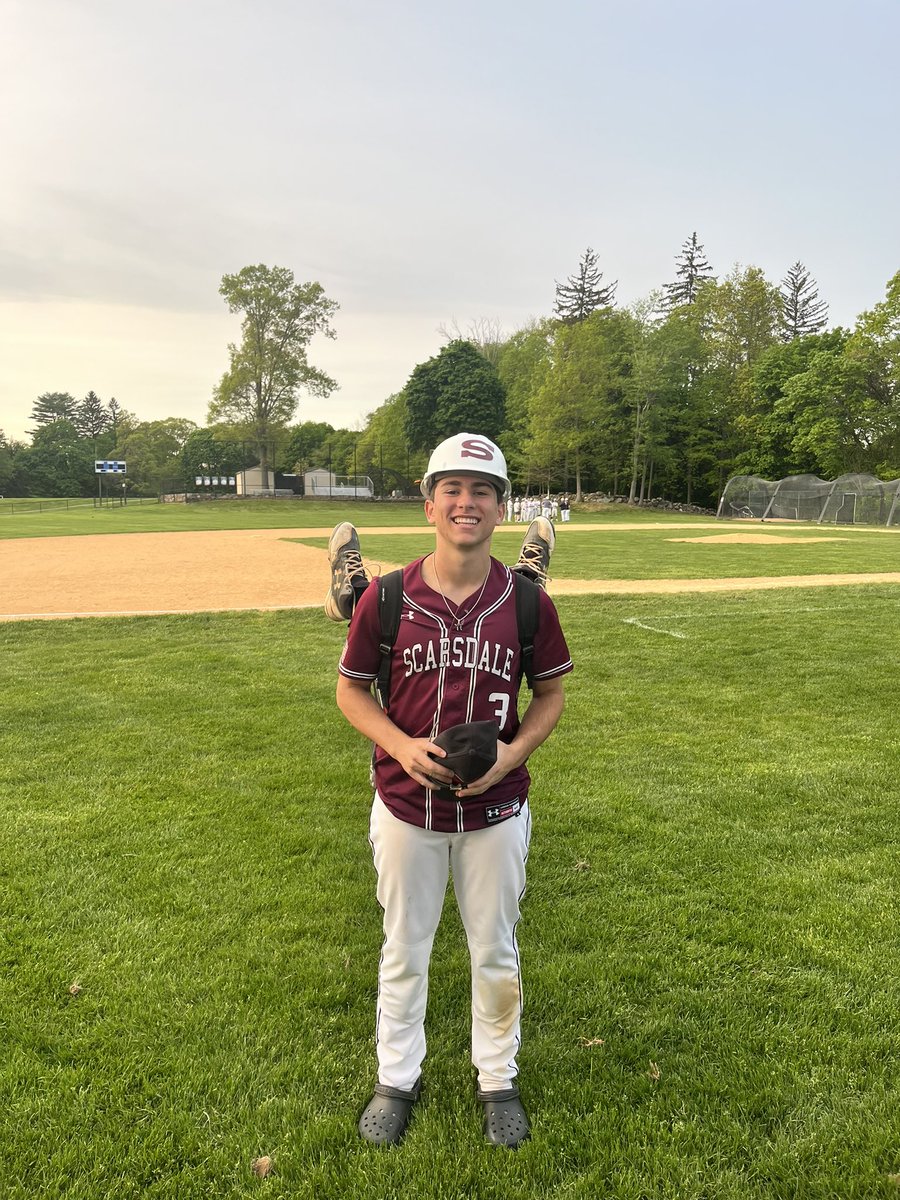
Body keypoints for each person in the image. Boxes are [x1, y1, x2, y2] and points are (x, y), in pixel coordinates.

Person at [329, 433, 572, 1149]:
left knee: (494, 948)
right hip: (407, 807)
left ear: (500, 506)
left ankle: (497, 1078)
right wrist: (400, 745)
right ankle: (395, 1079)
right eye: (453, 490)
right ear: (429, 502)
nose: (467, 503)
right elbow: (351, 691)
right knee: (405, 946)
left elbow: (551, 694)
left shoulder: (525, 608)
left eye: (483, 491)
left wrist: (513, 753)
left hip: (497, 808)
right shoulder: (392, 597)